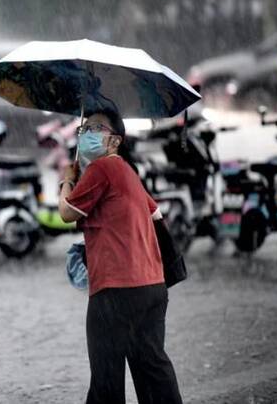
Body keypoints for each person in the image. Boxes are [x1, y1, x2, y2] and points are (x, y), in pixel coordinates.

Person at [58, 107, 182, 404]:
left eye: (96, 128)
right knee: (152, 372)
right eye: (84, 129)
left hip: (116, 290)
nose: (87, 134)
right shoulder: (128, 172)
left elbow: (65, 213)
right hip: (151, 287)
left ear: (115, 141)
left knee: (106, 381)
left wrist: (66, 180)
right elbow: (156, 212)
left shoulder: (102, 168)